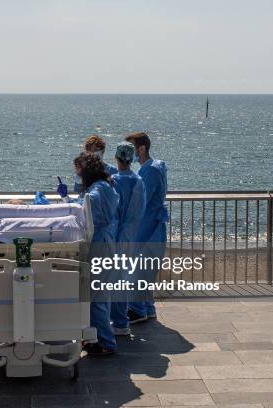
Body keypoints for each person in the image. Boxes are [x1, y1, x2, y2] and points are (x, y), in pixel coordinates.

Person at [72, 151, 120, 356]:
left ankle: (106, 343)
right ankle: (94, 338)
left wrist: (77, 204)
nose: (77, 175)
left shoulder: (96, 190)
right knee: (98, 296)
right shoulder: (105, 185)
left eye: (78, 171)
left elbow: (90, 209)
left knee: (97, 297)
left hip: (99, 246)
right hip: (105, 243)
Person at [125, 132, 168, 323]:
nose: (129, 154)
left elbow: (141, 201)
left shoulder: (147, 171)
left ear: (141, 148)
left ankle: (136, 310)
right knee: (145, 270)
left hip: (147, 228)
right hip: (154, 227)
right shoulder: (156, 167)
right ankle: (148, 307)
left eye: (131, 148)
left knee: (137, 271)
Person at [109, 142, 146, 335]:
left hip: (115, 236)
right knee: (123, 278)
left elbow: (110, 210)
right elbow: (140, 211)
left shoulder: (114, 180)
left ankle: (119, 322)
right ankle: (121, 319)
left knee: (113, 280)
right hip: (131, 235)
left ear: (116, 158)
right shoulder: (138, 181)